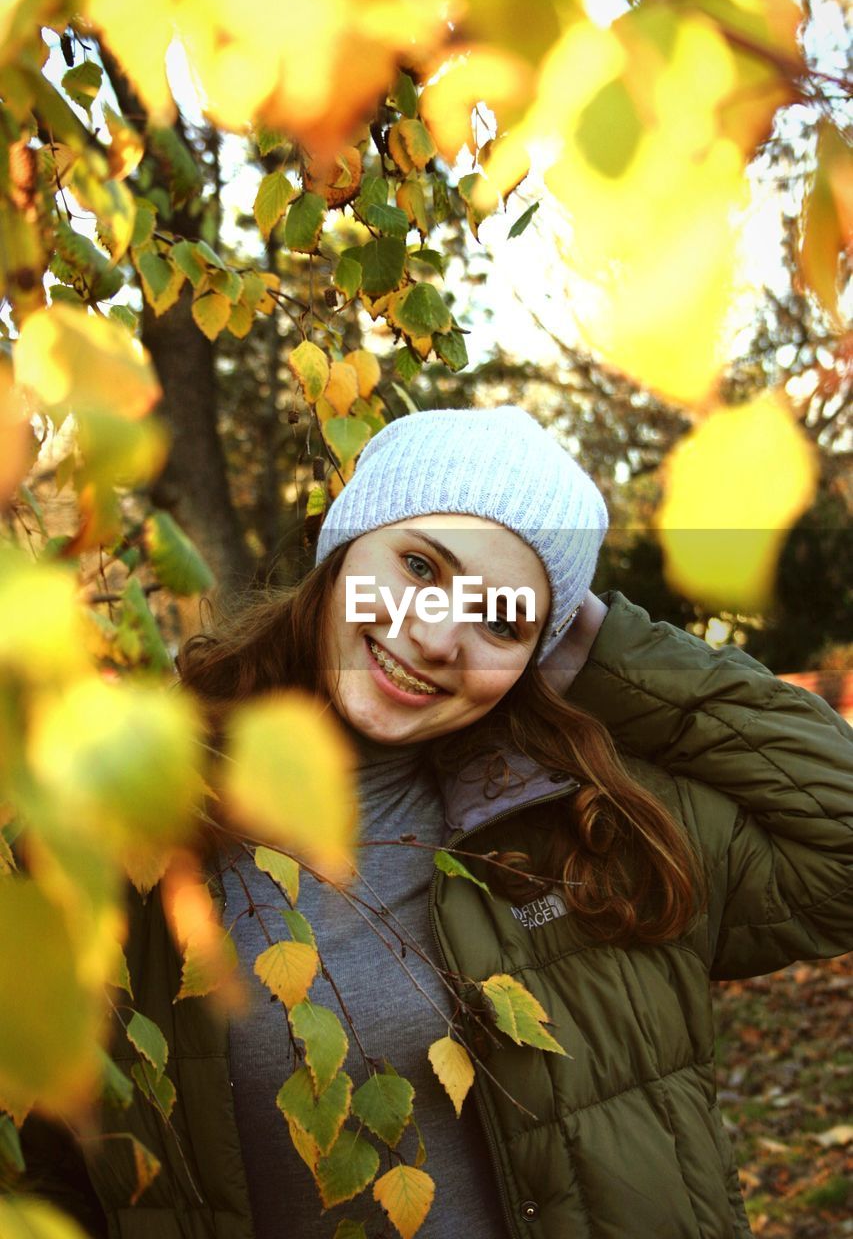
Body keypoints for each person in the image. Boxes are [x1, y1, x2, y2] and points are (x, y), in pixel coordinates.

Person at [20, 406, 853, 1239]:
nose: (434, 635)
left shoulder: (596, 820)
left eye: (500, 619)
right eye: (419, 566)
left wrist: (606, 650)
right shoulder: (129, 827)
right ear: (345, 551)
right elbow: (49, 1164)